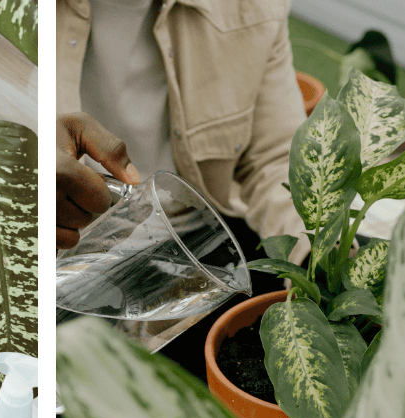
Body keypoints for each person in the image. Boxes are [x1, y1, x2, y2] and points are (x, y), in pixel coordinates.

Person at [55, 0, 308, 265]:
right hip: (73, 247)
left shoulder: (254, 8)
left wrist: (315, 251)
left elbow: (276, 160)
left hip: (194, 238)